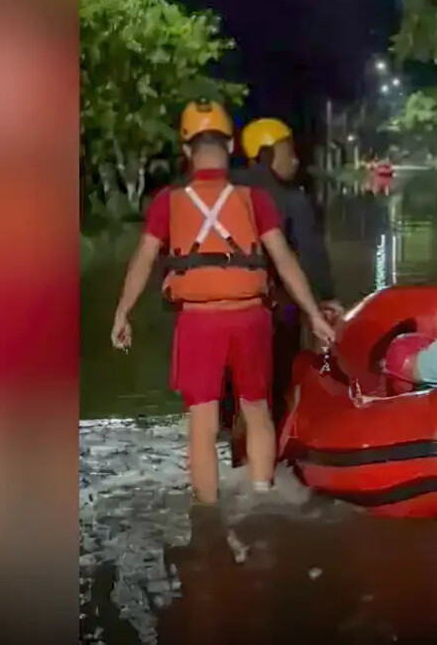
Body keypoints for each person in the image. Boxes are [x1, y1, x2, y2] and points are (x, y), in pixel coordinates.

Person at [109, 99, 336, 506]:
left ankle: (209, 515)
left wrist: (123, 312)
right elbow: (284, 260)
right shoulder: (255, 199)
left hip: (198, 322)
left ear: (186, 149)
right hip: (251, 319)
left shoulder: (167, 202)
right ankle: (262, 499)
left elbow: (143, 261)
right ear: (231, 146)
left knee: (203, 422)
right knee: (257, 411)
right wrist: (314, 314)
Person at [229, 116, 343, 428]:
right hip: (274, 311)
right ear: (266, 155)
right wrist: (325, 300)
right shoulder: (292, 199)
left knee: (227, 398)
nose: (295, 160)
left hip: (218, 311)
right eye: (287, 151)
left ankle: (229, 440)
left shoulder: (222, 193)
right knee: (276, 390)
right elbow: (312, 257)